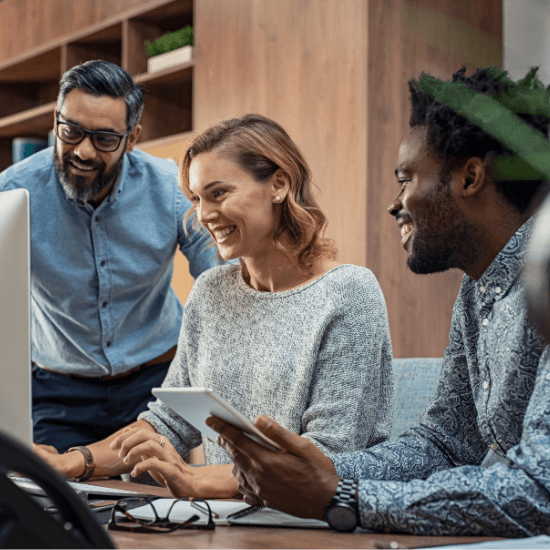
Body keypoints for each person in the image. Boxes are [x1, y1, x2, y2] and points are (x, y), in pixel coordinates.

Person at [208, 67, 550, 536]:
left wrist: (342, 497)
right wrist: (321, 471)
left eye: (406, 178)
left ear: (470, 177)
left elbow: (539, 491)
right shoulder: (477, 292)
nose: (396, 203)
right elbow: (445, 445)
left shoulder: (545, 278)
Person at [34, 113, 394, 498]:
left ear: (279, 184)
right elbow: (168, 422)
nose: (203, 216)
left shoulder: (349, 293)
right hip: (228, 517)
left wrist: (196, 480)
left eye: (218, 193)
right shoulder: (210, 292)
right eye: (197, 199)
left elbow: (328, 458)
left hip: (317, 520)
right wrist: (73, 462)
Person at [0, 60, 219, 454]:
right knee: (56, 509)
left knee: (159, 510)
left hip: (154, 388)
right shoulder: (13, 193)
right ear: (55, 120)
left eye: (104, 139)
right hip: (58, 394)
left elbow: (220, 279)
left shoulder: (169, 188)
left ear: (132, 138)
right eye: (71, 132)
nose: (83, 151)